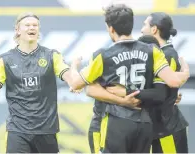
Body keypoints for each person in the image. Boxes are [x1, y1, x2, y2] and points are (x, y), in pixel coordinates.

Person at [68, 4, 190, 153]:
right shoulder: (153, 50)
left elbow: (76, 84)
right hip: (144, 122)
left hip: (117, 121)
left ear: (111, 28)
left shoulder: (103, 55)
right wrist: (185, 73)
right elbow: (173, 81)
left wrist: (74, 66)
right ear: (131, 25)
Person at [0, 12, 77, 153]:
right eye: (27, 25)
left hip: (46, 129)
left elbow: (69, 77)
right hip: (18, 129)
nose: (32, 28)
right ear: (17, 30)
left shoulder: (51, 55)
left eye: (35, 25)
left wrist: (75, 82)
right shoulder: (5, 60)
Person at [141, 12, 189, 153]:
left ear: (154, 29)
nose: (142, 29)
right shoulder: (157, 53)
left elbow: (161, 92)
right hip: (158, 128)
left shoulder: (167, 54)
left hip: (168, 129)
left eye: (144, 24)